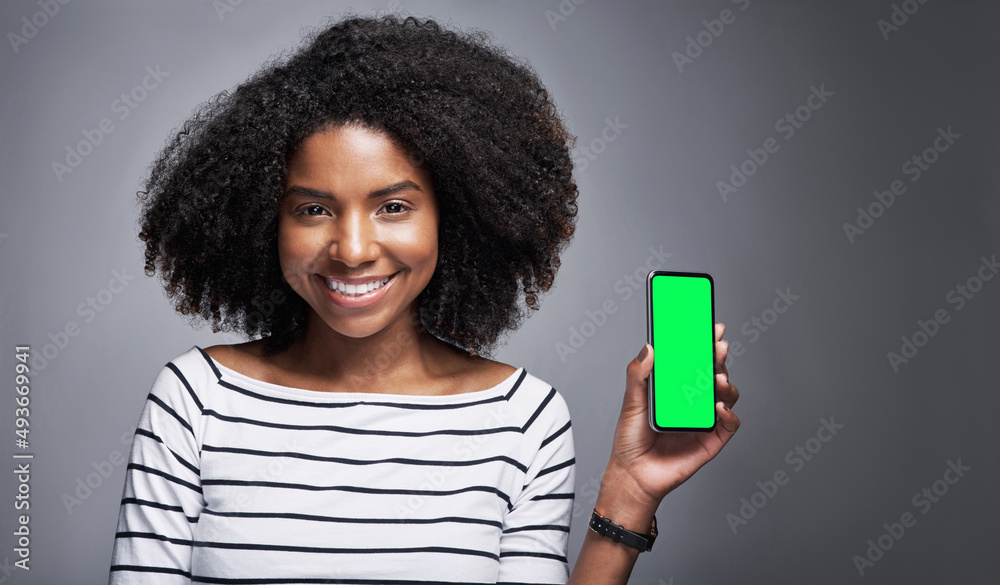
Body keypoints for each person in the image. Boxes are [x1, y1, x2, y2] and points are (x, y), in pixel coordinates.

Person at [109, 13, 740, 585]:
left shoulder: (524, 420)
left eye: (393, 206)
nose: (352, 249)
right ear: (263, 221)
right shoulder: (197, 399)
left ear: (455, 217)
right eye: (312, 209)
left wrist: (626, 498)